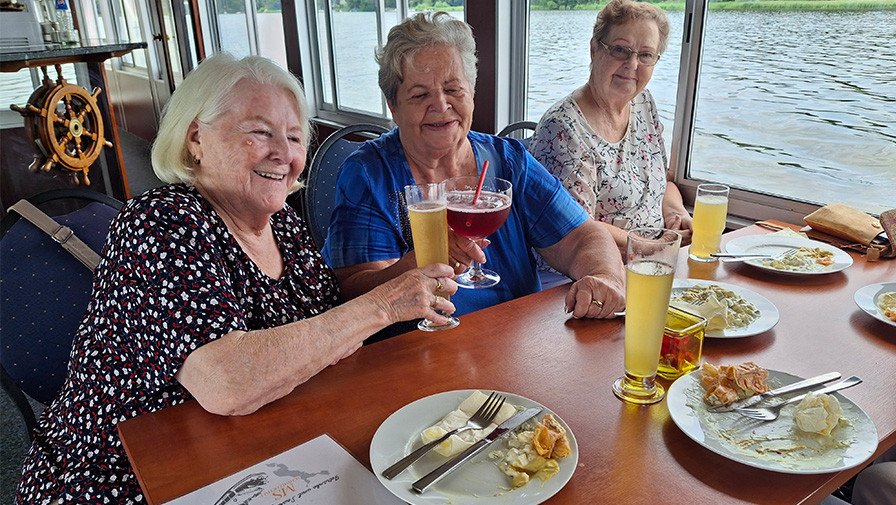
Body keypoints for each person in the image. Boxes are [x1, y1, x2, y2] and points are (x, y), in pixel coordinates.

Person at [15, 53, 457, 504]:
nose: (283, 154)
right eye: (260, 132)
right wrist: (383, 305)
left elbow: (327, 324)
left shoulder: (281, 223)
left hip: (251, 449)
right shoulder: (161, 222)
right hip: (125, 473)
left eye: (294, 137)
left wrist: (400, 278)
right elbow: (226, 384)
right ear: (196, 139)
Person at [322, 11, 625, 321]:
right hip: (420, 344)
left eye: (453, 89)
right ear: (394, 107)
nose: (441, 105)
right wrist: (414, 267)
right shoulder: (369, 174)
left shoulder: (509, 160)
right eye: (420, 94)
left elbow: (582, 236)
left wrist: (604, 276)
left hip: (517, 337)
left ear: (472, 92)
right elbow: (352, 290)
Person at [529, 0, 692, 254]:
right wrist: (650, 246)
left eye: (646, 55)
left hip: (652, 258)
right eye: (620, 50)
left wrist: (676, 214)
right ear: (594, 49)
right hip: (591, 268)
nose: (632, 64)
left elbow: (663, 183)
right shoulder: (562, 128)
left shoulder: (643, 102)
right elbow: (577, 230)